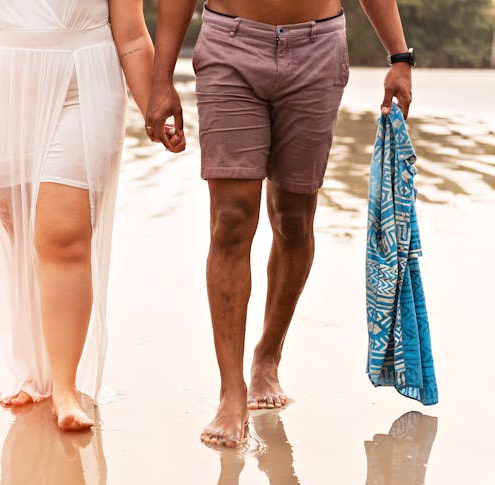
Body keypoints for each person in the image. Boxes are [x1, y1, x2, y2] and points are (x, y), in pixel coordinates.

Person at [146, 0, 413, 447]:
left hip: (317, 50)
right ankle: (231, 392)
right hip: (230, 47)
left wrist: (400, 57)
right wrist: (161, 78)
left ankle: (267, 357)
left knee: (293, 218)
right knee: (230, 219)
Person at [0, 0, 183, 431]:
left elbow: (133, 36)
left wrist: (152, 109)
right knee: (25, 235)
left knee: (62, 236)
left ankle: (64, 388)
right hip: (7, 95)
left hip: (84, 86)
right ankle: (35, 374)